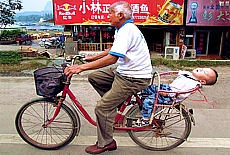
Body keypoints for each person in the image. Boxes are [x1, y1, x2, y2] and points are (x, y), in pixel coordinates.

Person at [64, 1, 152, 154]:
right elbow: (113, 49)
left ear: (120, 15)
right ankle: (113, 106)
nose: (108, 16)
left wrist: (80, 67)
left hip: (133, 78)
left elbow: (113, 58)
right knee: (95, 77)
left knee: (101, 108)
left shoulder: (127, 30)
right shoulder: (122, 29)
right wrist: (93, 57)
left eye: (110, 13)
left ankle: (106, 142)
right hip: (125, 71)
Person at [136, 68, 218, 127]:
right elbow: (177, 72)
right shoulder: (189, 75)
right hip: (167, 88)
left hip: (169, 96)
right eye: (203, 69)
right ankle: (141, 104)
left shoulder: (192, 84)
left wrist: (168, 94)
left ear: (202, 81)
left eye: (205, 73)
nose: (201, 70)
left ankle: (146, 119)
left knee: (149, 101)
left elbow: (182, 94)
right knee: (147, 88)